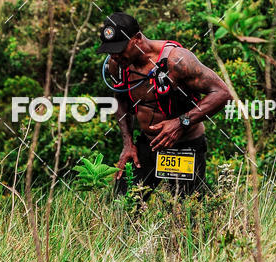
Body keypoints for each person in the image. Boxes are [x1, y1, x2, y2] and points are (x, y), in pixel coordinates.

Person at [97, 11, 232, 196]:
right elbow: (120, 97)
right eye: (111, 51)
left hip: (186, 145)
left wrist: (179, 123)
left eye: (120, 49)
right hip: (149, 143)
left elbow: (223, 93)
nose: (115, 56)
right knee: (123, 204)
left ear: (137, 38)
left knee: (188, 211)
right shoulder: (118, 64)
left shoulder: (176, 60)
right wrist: (127, 143)